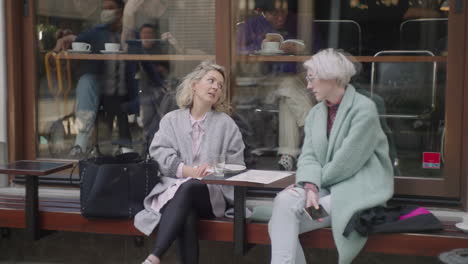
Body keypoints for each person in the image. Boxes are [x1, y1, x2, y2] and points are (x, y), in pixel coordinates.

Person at [268, 49, 394, 264]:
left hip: (355, 192)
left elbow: (346, 164)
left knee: (286, 220)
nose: (308, 86)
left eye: (312, 78)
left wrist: (311, 185)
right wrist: (307, 185)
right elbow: (308, 157)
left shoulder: (365, 109)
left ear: (332, 77)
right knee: (284, 202)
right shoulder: (316, 114)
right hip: (325, 188)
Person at [134, 61, 245, 264]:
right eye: (211, 81)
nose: (215, 87)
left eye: (220, 85)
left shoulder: (226, 125)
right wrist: (186, 170)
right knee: (187, 213)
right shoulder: (171, 120)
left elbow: (237, 166)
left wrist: (212, 169)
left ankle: (154, 256)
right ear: (194, 85)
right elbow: (158, 152)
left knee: (192, 186)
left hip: (211, 195)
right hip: (176, 192)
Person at [236, 0, 321, 170]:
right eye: (275, 13)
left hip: (299, 85)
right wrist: (261, 46)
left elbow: (321, 50)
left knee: (287, 101)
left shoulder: (301, 23)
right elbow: (235, 50)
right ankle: (318, 129)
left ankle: (287, 155)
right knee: (287, 84)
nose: (281, 17)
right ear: (262, 12)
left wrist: (303, 51)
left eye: (284, 12)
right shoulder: (250, 26)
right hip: (262, 84)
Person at [53, 0, 137, 156]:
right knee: (87, 81)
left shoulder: (129, 32)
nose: (106, 12)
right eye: (104, 8)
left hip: (121, 87)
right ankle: (81, 142)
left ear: (120, 11)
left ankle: (124, 144)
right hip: (98, 88)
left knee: (114, 92)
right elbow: (78, 40)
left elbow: (137, 59)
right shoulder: (97, 31)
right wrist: (66, 38)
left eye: (110, 8)